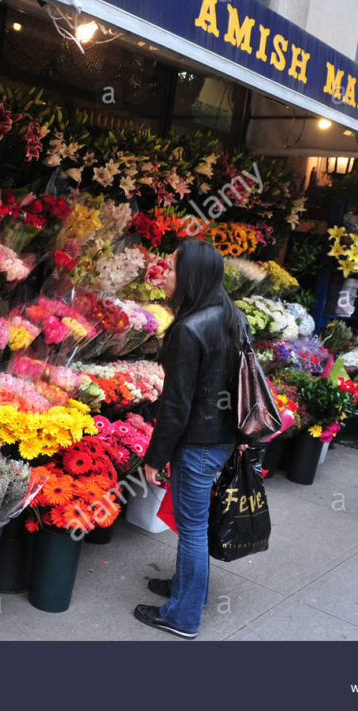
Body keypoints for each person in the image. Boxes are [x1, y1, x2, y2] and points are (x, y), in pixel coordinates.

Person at [133, 239, 245, 639]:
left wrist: (155, 456)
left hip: (197, 442)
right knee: (193, 523)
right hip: (220, 438)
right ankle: (185, 589)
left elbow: (176, 405)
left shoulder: (188, 328)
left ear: (191, 276)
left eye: (173, 268)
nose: (166, 274)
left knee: (192, 527)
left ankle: (183, 615)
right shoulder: (231, 314)